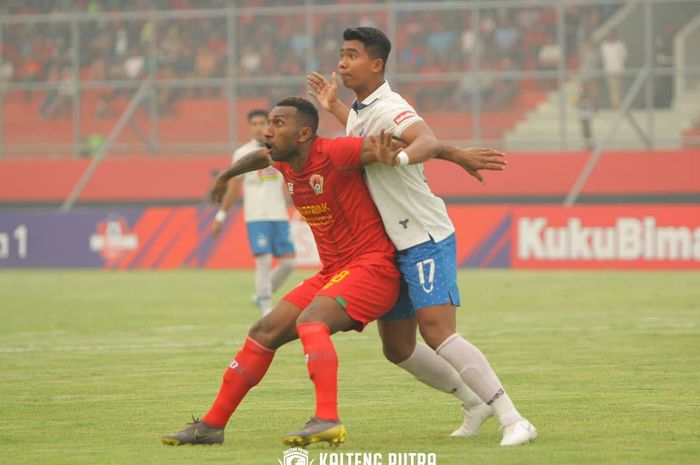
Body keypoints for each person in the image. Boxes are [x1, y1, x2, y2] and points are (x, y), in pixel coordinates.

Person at [161, 97, 503, 447]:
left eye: (278, 124)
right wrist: (226, 174)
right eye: (269, 124)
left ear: (304, 134)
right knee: (265, 330)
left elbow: (404, 143)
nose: (268, 131)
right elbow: (259, 156)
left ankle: (327, 418)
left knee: (312, 321)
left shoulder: (337, 153)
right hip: (335, 271)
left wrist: (454, 153)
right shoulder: (284, 158)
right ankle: (212, 425)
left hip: (373, 267)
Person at [306, 26, 536, 446]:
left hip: (423, 236)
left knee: (438, 333)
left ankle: (513, 417)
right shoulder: (363, 109)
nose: (342, 62)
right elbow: (364, 131)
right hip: (390, 246)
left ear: (376, 64)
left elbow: (423, 138)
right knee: (397, 347)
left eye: (352, 55)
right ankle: (473, 401)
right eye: (341, 54)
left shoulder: (391, 105)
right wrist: (336, 106)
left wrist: (404, 158)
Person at [213, 109, 295, 315]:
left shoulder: (279, 150)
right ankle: (266, 307)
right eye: (255, 124)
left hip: (279, 214)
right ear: (250, 127)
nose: (259, 127)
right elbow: (233, 188)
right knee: (264, 260)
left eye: (263, 123)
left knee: (288, 262)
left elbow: (289, 180)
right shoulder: (242, 154)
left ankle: (262, 294)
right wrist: (221, 216)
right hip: (256, 215)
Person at [600, 30, 627, 108]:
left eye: (612, 34)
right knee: (612, 88)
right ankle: (615, 105)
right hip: (609, 70)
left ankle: (620, 104)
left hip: (619, 69)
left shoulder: (620, 44)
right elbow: (603, 57)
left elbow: (624, 56)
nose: (610, 36)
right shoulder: (604, 45)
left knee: (620, 88)